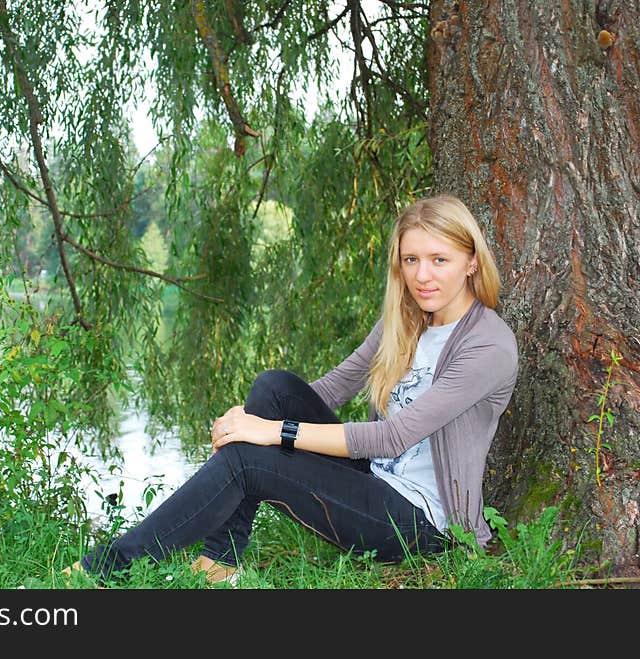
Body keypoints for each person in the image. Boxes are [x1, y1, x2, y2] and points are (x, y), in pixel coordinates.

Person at [64, 194, 519, 586]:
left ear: (471, 261)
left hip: (420, 522)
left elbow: (392, 437)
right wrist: (254, 418)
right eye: (411, 260)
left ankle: (108, 568)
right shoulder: (407, 318)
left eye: (440, 260)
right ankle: (221, 563)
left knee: (248, 456)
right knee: (273, 386)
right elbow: (336, 386)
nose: (423, 276)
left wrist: (273, 432)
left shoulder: (488, 345)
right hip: (375, 479)